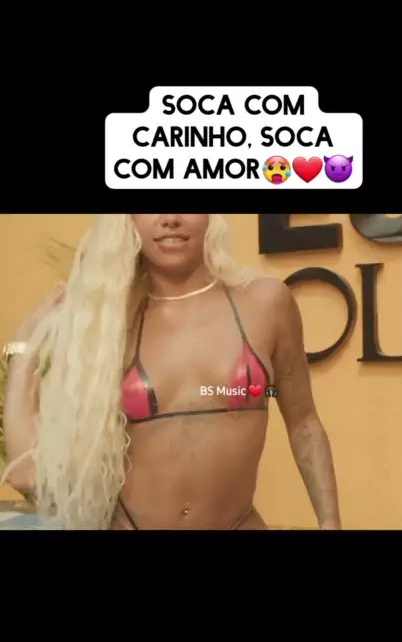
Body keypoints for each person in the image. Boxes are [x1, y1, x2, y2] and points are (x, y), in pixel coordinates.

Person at [1, 214, 341, 531]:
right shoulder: (105, 326)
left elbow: (304, 423)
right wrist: (23, 349)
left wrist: (330, 524)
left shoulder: (266, 303)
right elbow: (28, 474)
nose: (171, 219)